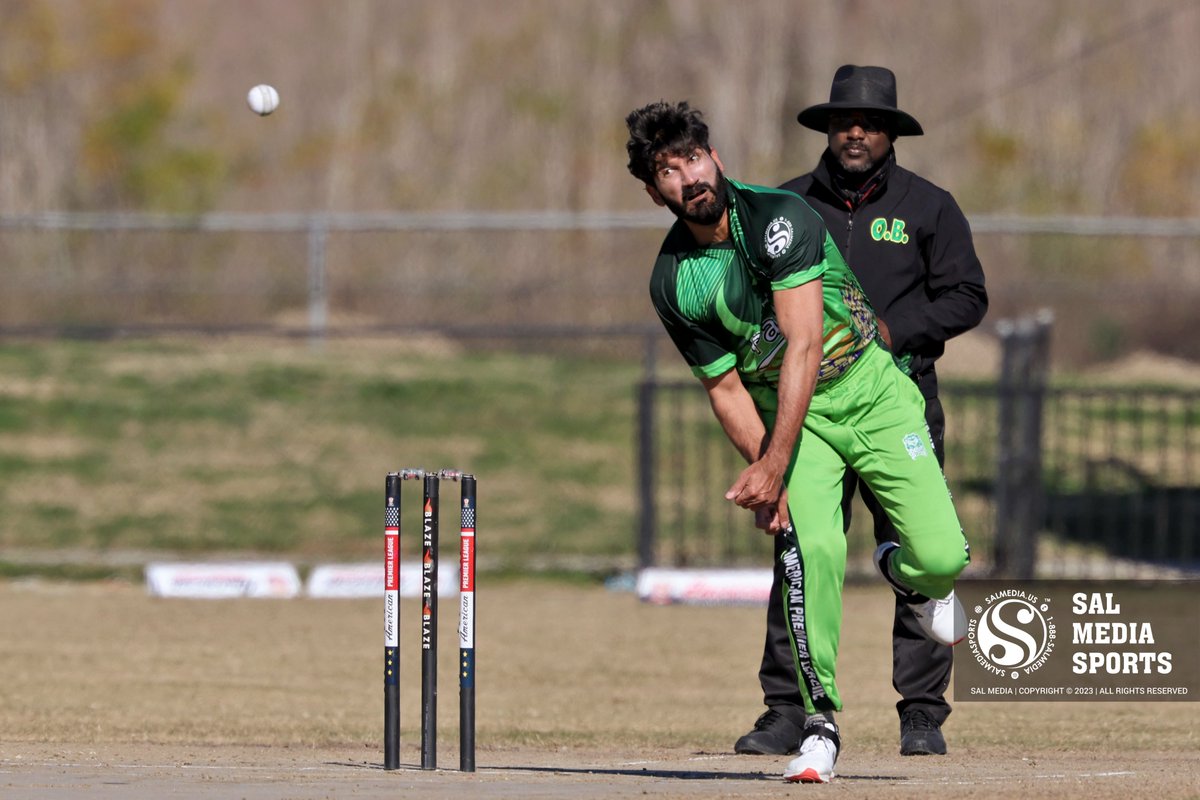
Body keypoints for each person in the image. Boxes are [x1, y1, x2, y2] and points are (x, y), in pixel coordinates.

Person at [625, 99, 970, 784]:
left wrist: (772, 461)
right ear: (652, 189)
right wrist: (770, 471)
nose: (687, 177)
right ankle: (821, 726)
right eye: (667, 170)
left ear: (715, 158)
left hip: (870, 392)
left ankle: (903, 568)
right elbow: (724, 388)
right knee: (809, 551)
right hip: (796, 420)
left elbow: (806, 342)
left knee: (945, 556)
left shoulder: (778, 218)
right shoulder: (672, 282)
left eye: (693, 158)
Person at [734, 65, 988, 760]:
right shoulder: (784, 207)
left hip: (898, 401)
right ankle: (788, 709)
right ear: (826, 129)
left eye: (870, 123)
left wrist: (896, 331)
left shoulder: (929, 207)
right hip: (807, 413)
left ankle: (922, 713)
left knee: (926, 553)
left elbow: (968, 295)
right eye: (844, 121)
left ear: (890, 134)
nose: (856, 132)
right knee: (801, 555)